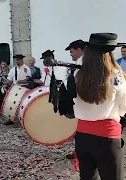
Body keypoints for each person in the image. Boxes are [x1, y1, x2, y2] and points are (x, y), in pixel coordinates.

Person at [74, 33, 126, 180]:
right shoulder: (116, 75)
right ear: (110, 53)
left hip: (82, 136)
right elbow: (124, 107)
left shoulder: (78, 73)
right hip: (107, 137)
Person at [64, 39, 86, 160]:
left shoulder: (84, 63)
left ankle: (80, 153)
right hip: (79, 103)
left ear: (79, 50)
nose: (70, 54)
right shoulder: (79, 62)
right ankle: (78, 151)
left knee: (82, 131)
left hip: (83, 104)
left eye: (72, 51)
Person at [5, 54, 31, 125]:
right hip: (15, 89)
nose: (16, 61)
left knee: (23, 104)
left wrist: (21, 81)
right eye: (16, 60)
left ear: (22, 60)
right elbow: (9, 79)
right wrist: (4, 83)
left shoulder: (27, 68)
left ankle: (24, 119)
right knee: (12, 104)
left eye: (18, 60)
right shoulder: (13, 69)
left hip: (24, 88)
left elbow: (28, 79)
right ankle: (11, 119)